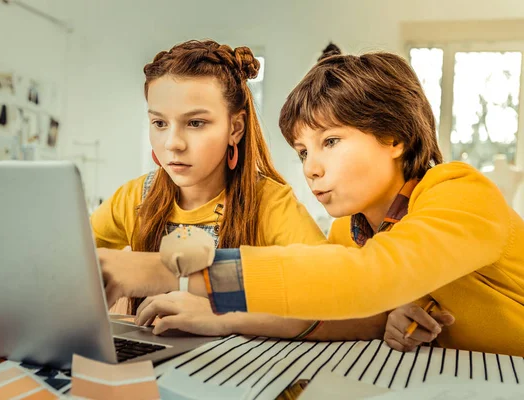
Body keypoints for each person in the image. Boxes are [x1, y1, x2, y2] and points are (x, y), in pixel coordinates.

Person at [103, 48, 524, 357]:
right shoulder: (348, 230)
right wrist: (391, 318)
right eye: (303, 151)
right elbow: (338, 301)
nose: (311, 169)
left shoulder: (460, 191)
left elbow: (370, 276)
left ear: (395, 137)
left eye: (331, 141)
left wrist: (163, 270)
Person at [93, 39, 388, 342]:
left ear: (235, 128)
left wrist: (225, 313)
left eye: (195, 122)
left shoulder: (269, 203)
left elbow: (348, 301)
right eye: (159, 123)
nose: (172, 143)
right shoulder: (133, 198)